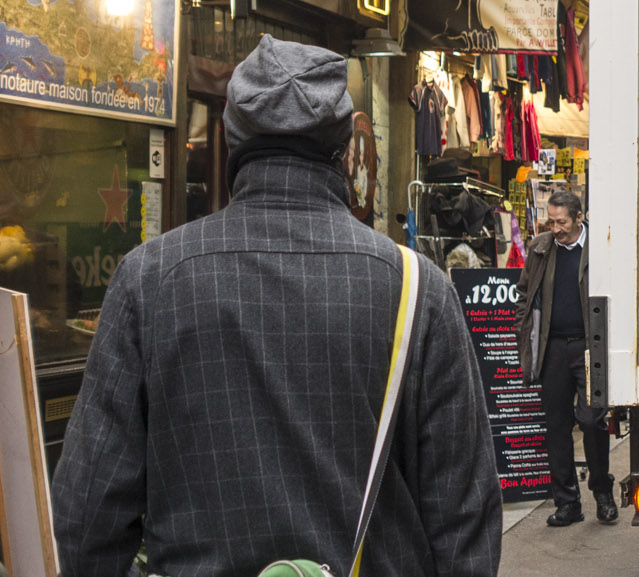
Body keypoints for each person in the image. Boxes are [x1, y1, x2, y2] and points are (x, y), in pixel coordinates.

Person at [52, 35, 501, 576]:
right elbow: (464, 521)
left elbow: (85, 520)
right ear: (345, 149)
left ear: (228, 137)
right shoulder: (418, 289)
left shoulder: (151, 279)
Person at [514, 189, 616, 526]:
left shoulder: (598, 248)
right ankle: (568, 502)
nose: (554, 228)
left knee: (591, 420)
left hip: (589, 348)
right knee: (556, 426)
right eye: (551, 221)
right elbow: (525, 294)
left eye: (561, 222)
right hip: (553, 349)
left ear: (578, 218)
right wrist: (522, 331)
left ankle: (603, 493)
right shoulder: (541, 247)